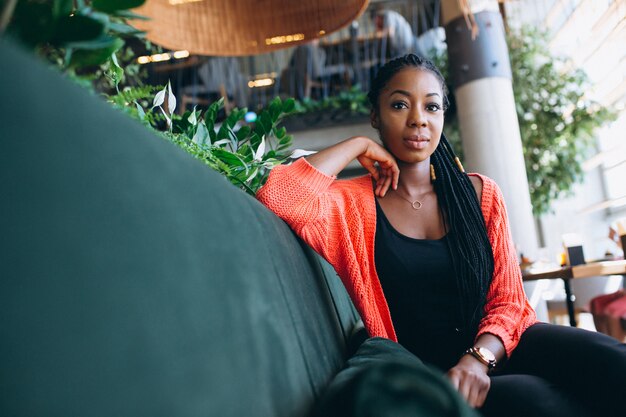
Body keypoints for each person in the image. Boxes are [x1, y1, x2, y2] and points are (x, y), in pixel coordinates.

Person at [256, 54, 626, 416]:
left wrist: (478, 359)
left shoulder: (480, 194)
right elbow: (278, 196)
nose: (418, 119)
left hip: (498, 345)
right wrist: (357, 145)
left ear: (442, 117)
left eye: (431, 108)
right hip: (432, 370)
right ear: (375, 116)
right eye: (399, 105)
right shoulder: (349, 205)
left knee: (611, 360)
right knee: (537, 401)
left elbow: (510, 304)